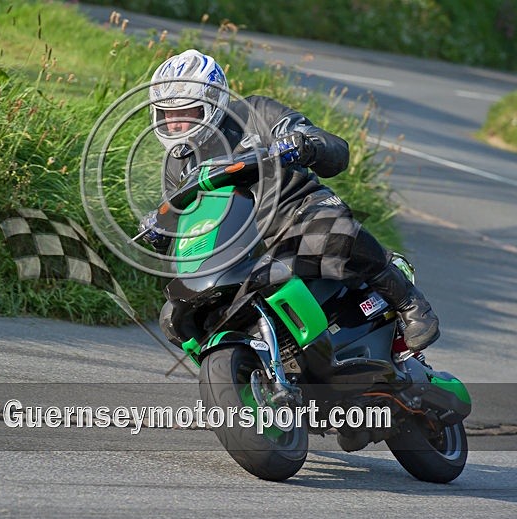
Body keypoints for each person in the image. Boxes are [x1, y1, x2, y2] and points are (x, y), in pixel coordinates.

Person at [140, 49, 439, 356]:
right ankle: (240, 366)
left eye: (185, 113)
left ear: (213, 104)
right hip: (239, 244)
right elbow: (185, 218)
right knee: (174, 316)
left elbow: (330, 148)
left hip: (295, 210)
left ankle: (409, 302)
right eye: (167, 115)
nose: (175, 124)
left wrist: (302, 142)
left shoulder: (255, 113)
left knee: (331, 232)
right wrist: (160, 228)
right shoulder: (177, 165)